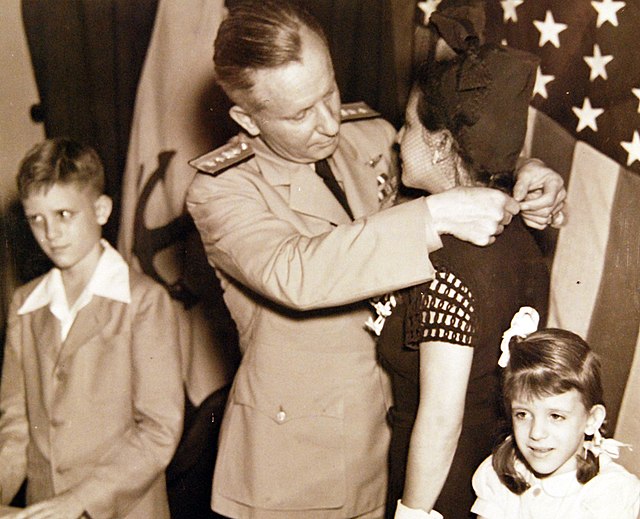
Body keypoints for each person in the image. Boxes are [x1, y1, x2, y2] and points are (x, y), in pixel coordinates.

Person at [186, 1, 565, 517]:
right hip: (299, 466)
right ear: (245, 119)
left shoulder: (363, 132)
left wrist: (524, 173)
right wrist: (433, 216)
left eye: (329, 92)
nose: (326, 124)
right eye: (299, 113)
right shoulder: (223, 191)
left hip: (397, 447)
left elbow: (441, 157)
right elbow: (300, 272)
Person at [375, 7, 550, 518]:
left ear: (442, 142)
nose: (397, 139)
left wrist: (413, 512)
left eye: (408, 126)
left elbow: (441, 416)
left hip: (441, 485)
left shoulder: (447, 264)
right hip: (494, 469)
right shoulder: (518, 225)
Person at [0, 138, 184, 519]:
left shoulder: (144, 302)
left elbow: (158, 431)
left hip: (125, 510)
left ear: (101, 209)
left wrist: (80, 499)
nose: (50, 233)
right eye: (37, 219)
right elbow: (16, 427)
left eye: (64, 214)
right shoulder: (25, 304)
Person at [471, 320, 640, 518]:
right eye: (523, 414)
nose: (536, 432)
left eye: (556, 416)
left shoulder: (609, 491)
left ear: (592, 419)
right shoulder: (501, 474)